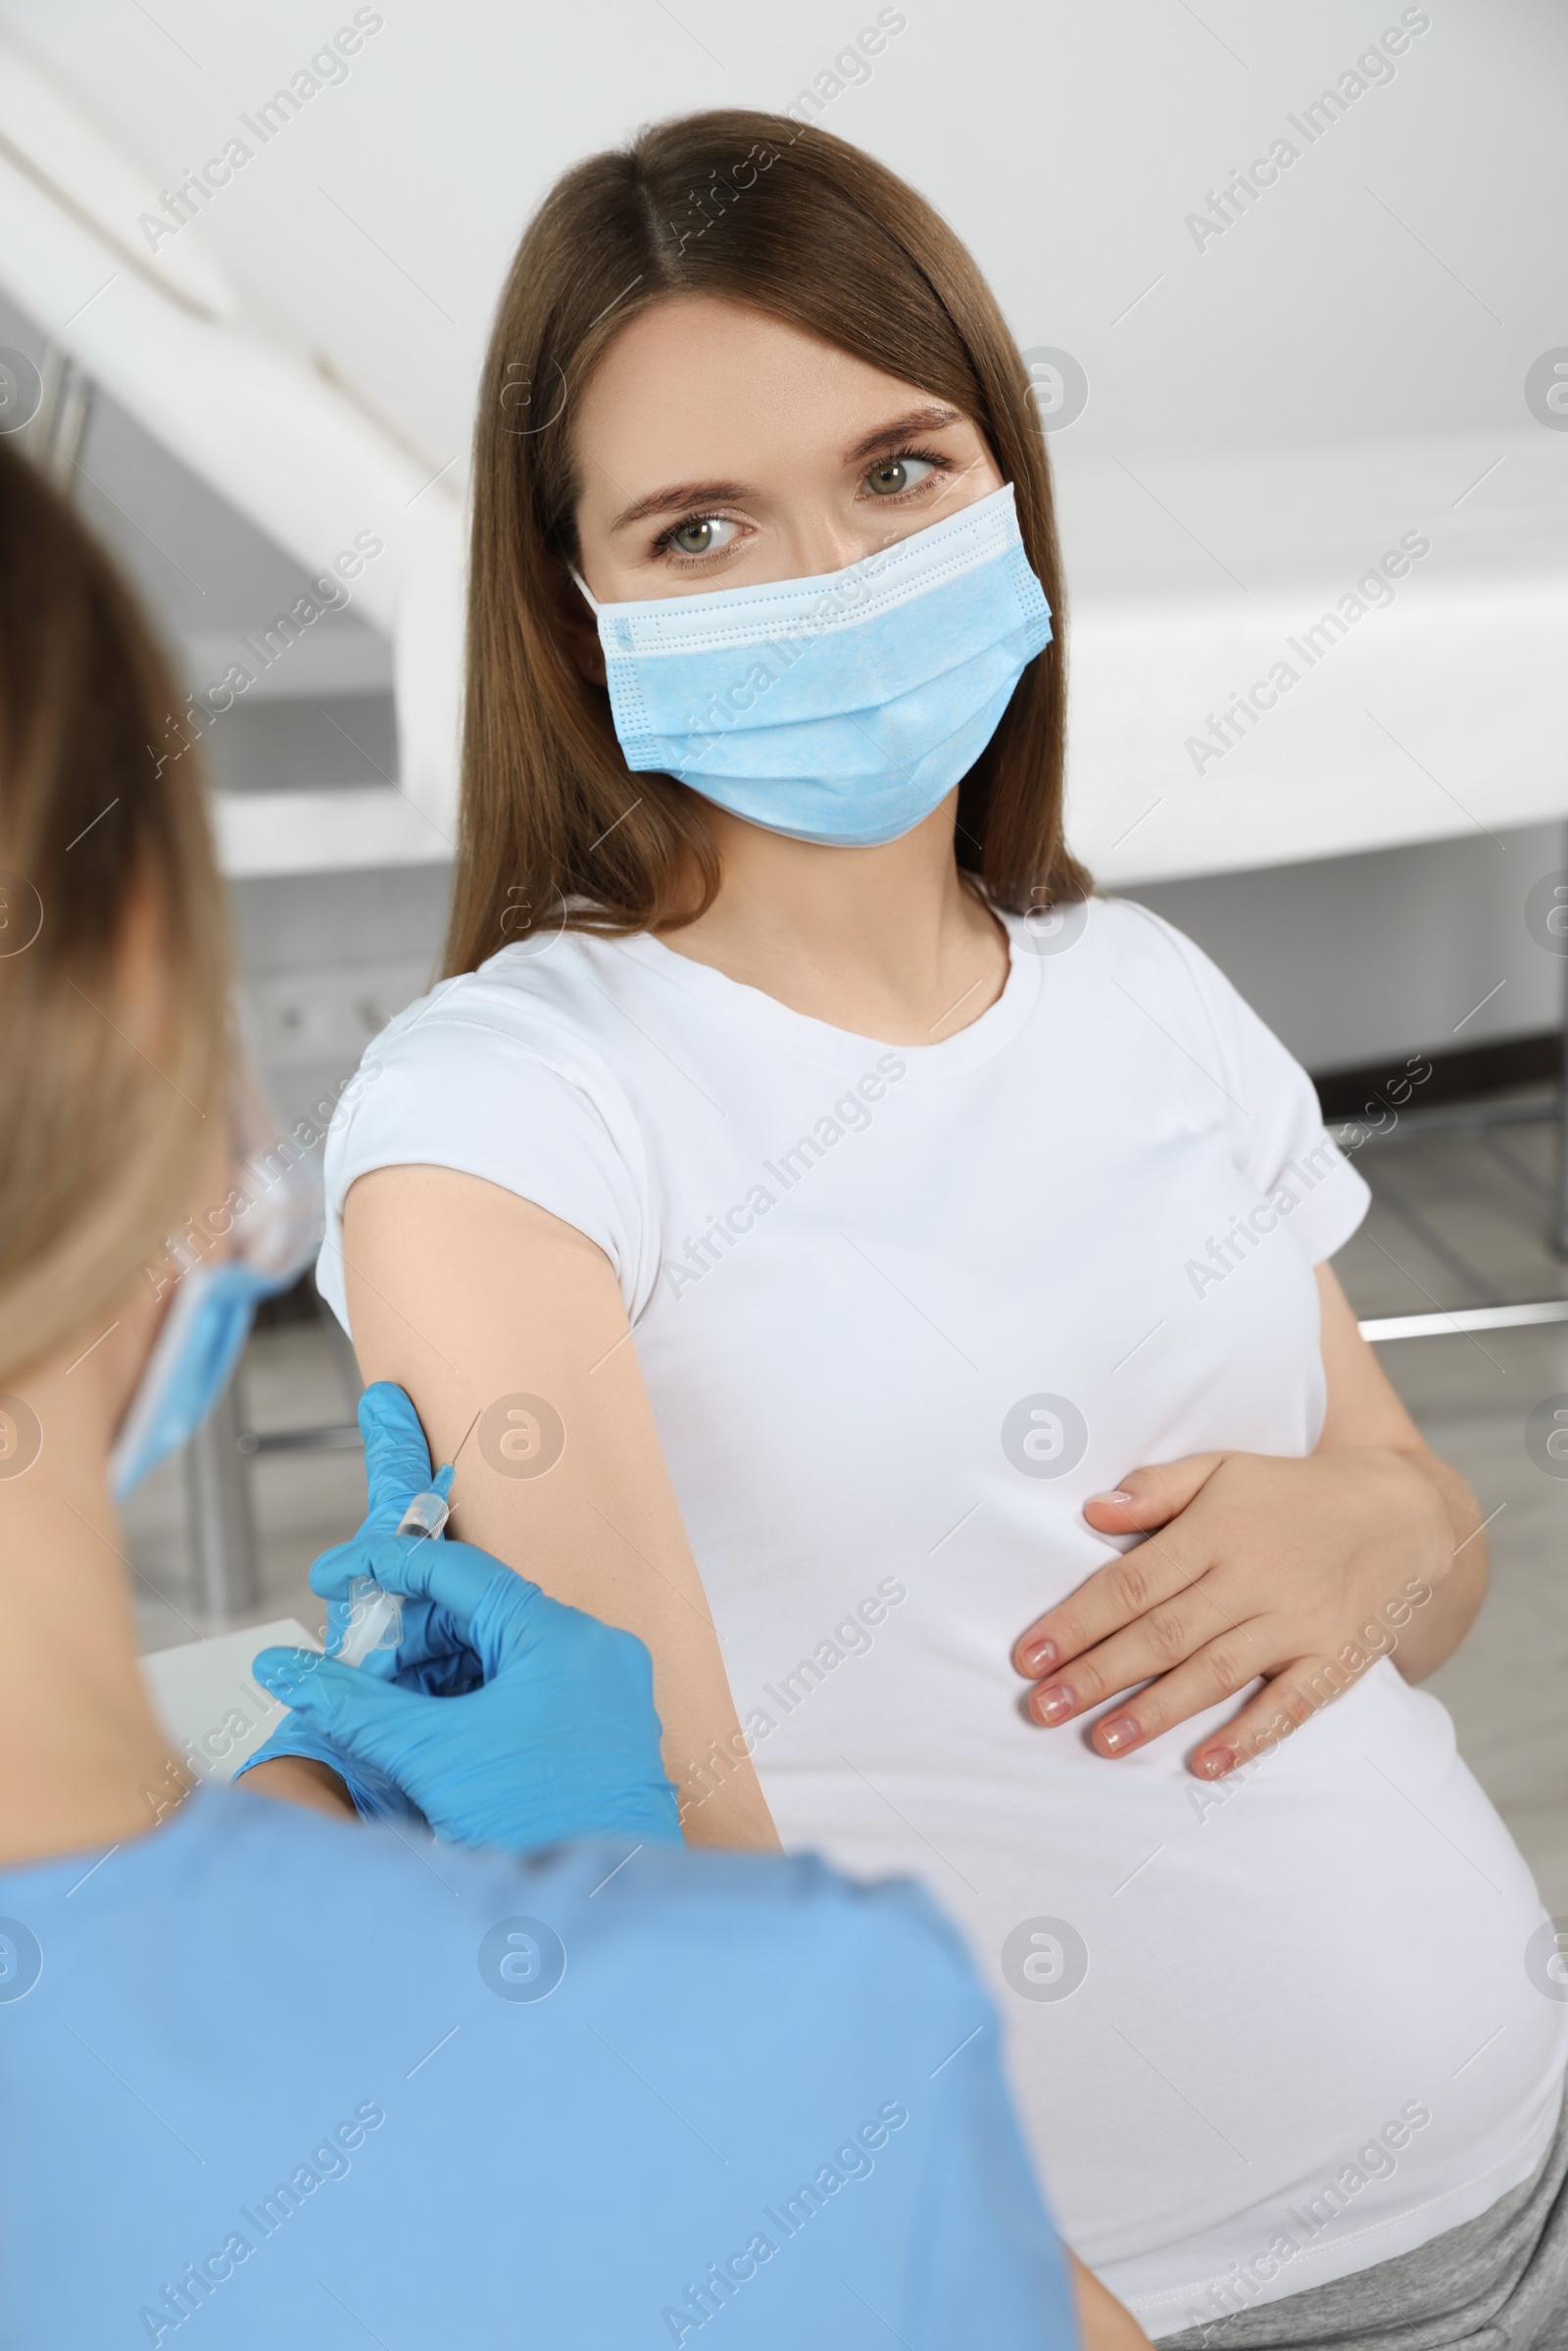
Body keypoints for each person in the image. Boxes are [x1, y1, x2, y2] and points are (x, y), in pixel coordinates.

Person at [267, 108, 1568, 2344]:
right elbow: (661, 1877)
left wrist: (1368, 1529)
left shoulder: (1139, 989)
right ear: (573, 620)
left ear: (1003, 494)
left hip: (1514, 2171)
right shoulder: (507, 1114)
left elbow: (1418, 1553)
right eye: (698, 529)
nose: (833, 580)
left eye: (895, 474)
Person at [0, 431, 1086, 2349]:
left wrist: (298, 1853)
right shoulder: (779, 2049)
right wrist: (613, 1901)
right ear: (150, 1021)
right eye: (692, 525)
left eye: (899, 470)